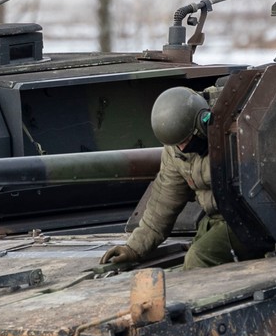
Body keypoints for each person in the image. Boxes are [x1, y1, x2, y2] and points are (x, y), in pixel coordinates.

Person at [101, 86, 236, 271]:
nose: (180, 148)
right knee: (187, 257)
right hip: (217, 219)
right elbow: (164, 200)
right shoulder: (176, 150)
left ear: (201, 125)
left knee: (199, 258)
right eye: (175, 144)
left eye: (184, 141)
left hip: (249, 219)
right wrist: (133, 248)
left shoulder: (235, 128)